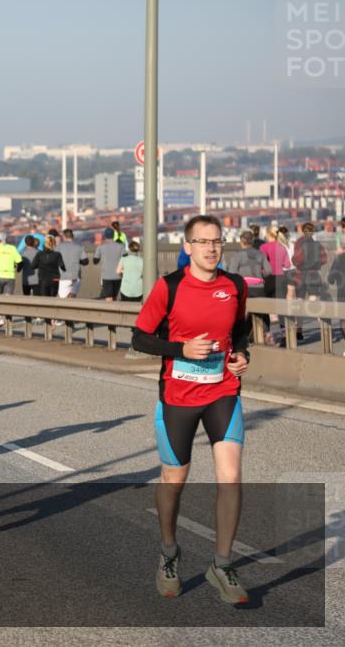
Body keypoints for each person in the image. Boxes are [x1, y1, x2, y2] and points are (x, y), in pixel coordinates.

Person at [131, 214, 252, 605]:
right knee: (173, 479)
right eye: (202, 242)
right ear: (187, 247)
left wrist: (240, 354)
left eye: (217, 241)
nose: (212, 248)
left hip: (222, 390)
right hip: (178, 397)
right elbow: (140, 338)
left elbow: (241, 329)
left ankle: (221, 563)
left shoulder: (233, 285)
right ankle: (169, 552)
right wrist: (179, 350)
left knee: (230, 475)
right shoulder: (169, 287)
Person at [293, 222, 328, 301]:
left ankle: (300, 313)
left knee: (299, 297)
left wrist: (294, 261)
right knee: (313, 298)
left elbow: (298, 258)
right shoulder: (318, 244)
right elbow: (324, 259)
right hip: (314, 274)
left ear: (303, 231)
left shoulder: (299, 243)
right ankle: (310, 312)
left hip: (300, 274)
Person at [94, 228, 126, 301]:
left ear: (105, 236)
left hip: (106, 276)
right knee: (114, 297)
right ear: (114, 235)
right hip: (118, 276)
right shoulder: (120, 246)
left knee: (108, 297)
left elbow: (95, 261)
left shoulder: (100, 247)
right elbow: (125, 257)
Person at [55, 229, 87, 299]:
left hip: (63, 277)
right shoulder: (79, 246)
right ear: (72, 236)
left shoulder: (59, 247)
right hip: (76, 277)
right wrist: (77, 259)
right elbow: (85, 262)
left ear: (64, 236)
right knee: (72, 299)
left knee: (62, 300)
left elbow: (54, 260)